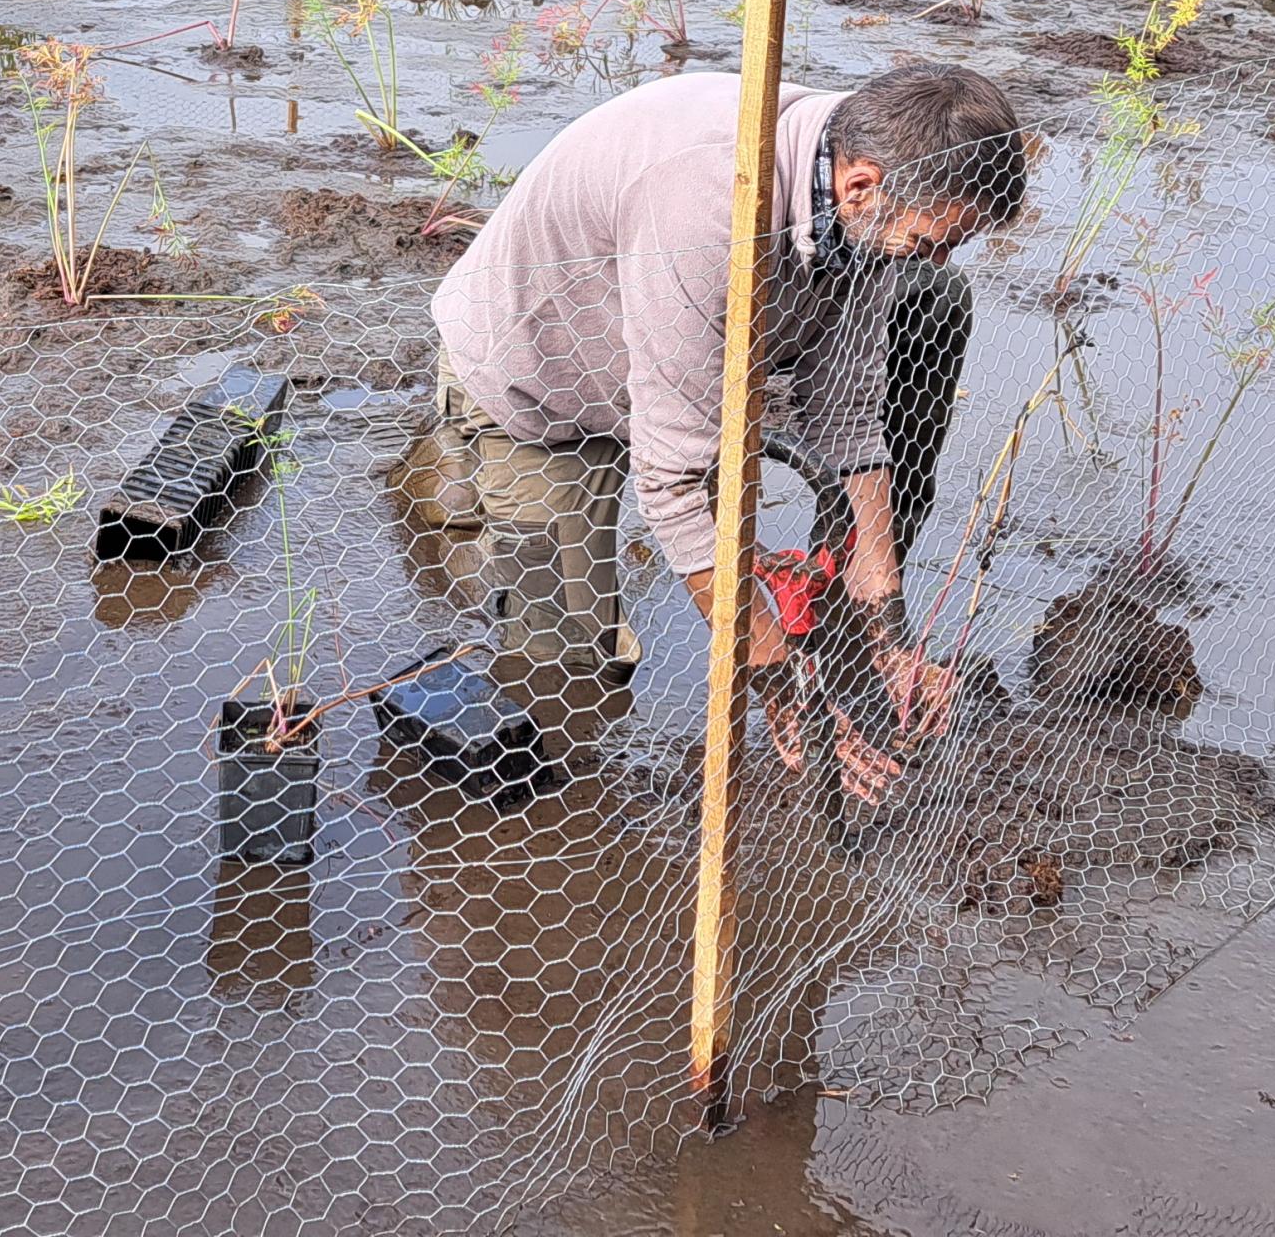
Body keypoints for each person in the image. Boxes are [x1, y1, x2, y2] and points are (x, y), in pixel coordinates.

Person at [417, 63, 1027, 807]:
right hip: (545, 381)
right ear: (861, 184)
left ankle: (828, 640)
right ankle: (443, 477)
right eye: (934, 239)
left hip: (699, 357)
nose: (937, 258)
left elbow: (842, 409)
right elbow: (671, 487)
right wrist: (778, 685)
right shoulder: (715, 203)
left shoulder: (869, 178)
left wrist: (886, 626)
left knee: (934, 304)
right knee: (567, 670)